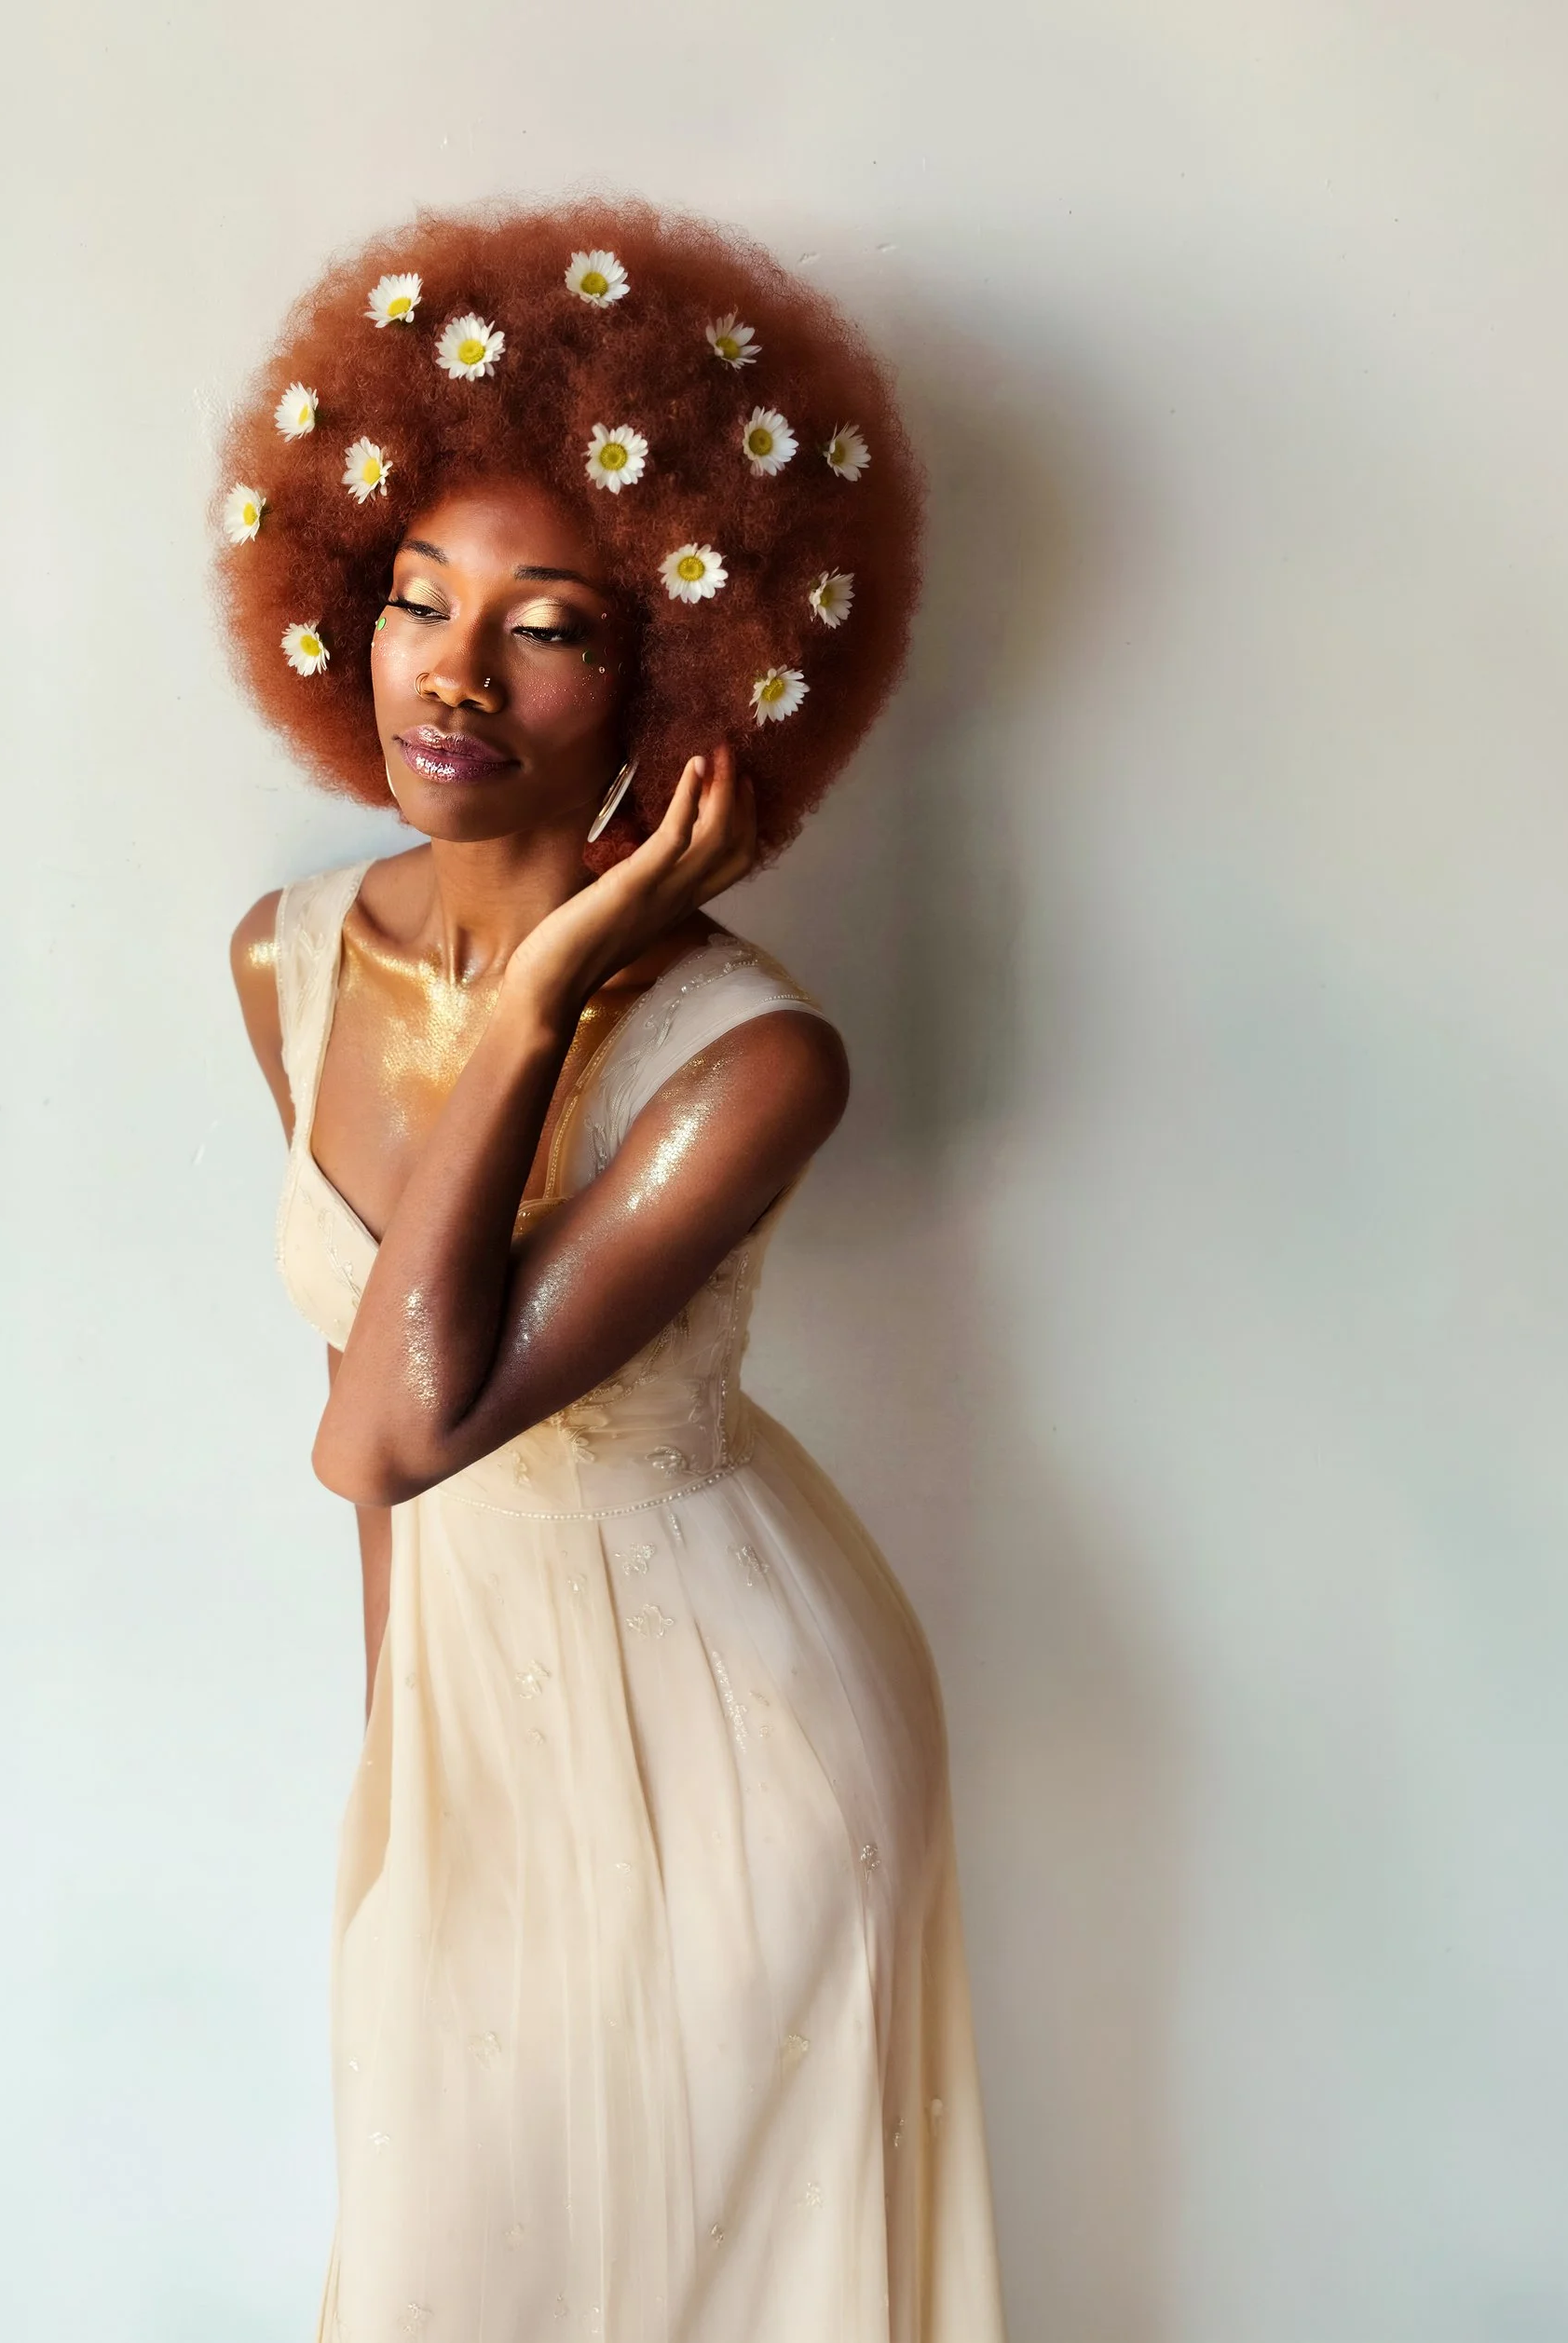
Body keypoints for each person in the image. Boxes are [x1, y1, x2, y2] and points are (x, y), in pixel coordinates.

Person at [219, 201, 1005, 2340]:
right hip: (465, 1721)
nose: (451, 676)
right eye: (408, 598)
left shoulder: (753, 1062)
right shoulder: (285, 968)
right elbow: (387, 1476)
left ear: (668, 667)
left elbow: (395, 1421)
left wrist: (556, 969)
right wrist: (393, 1798)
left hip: (734, 1749)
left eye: (545, 627)